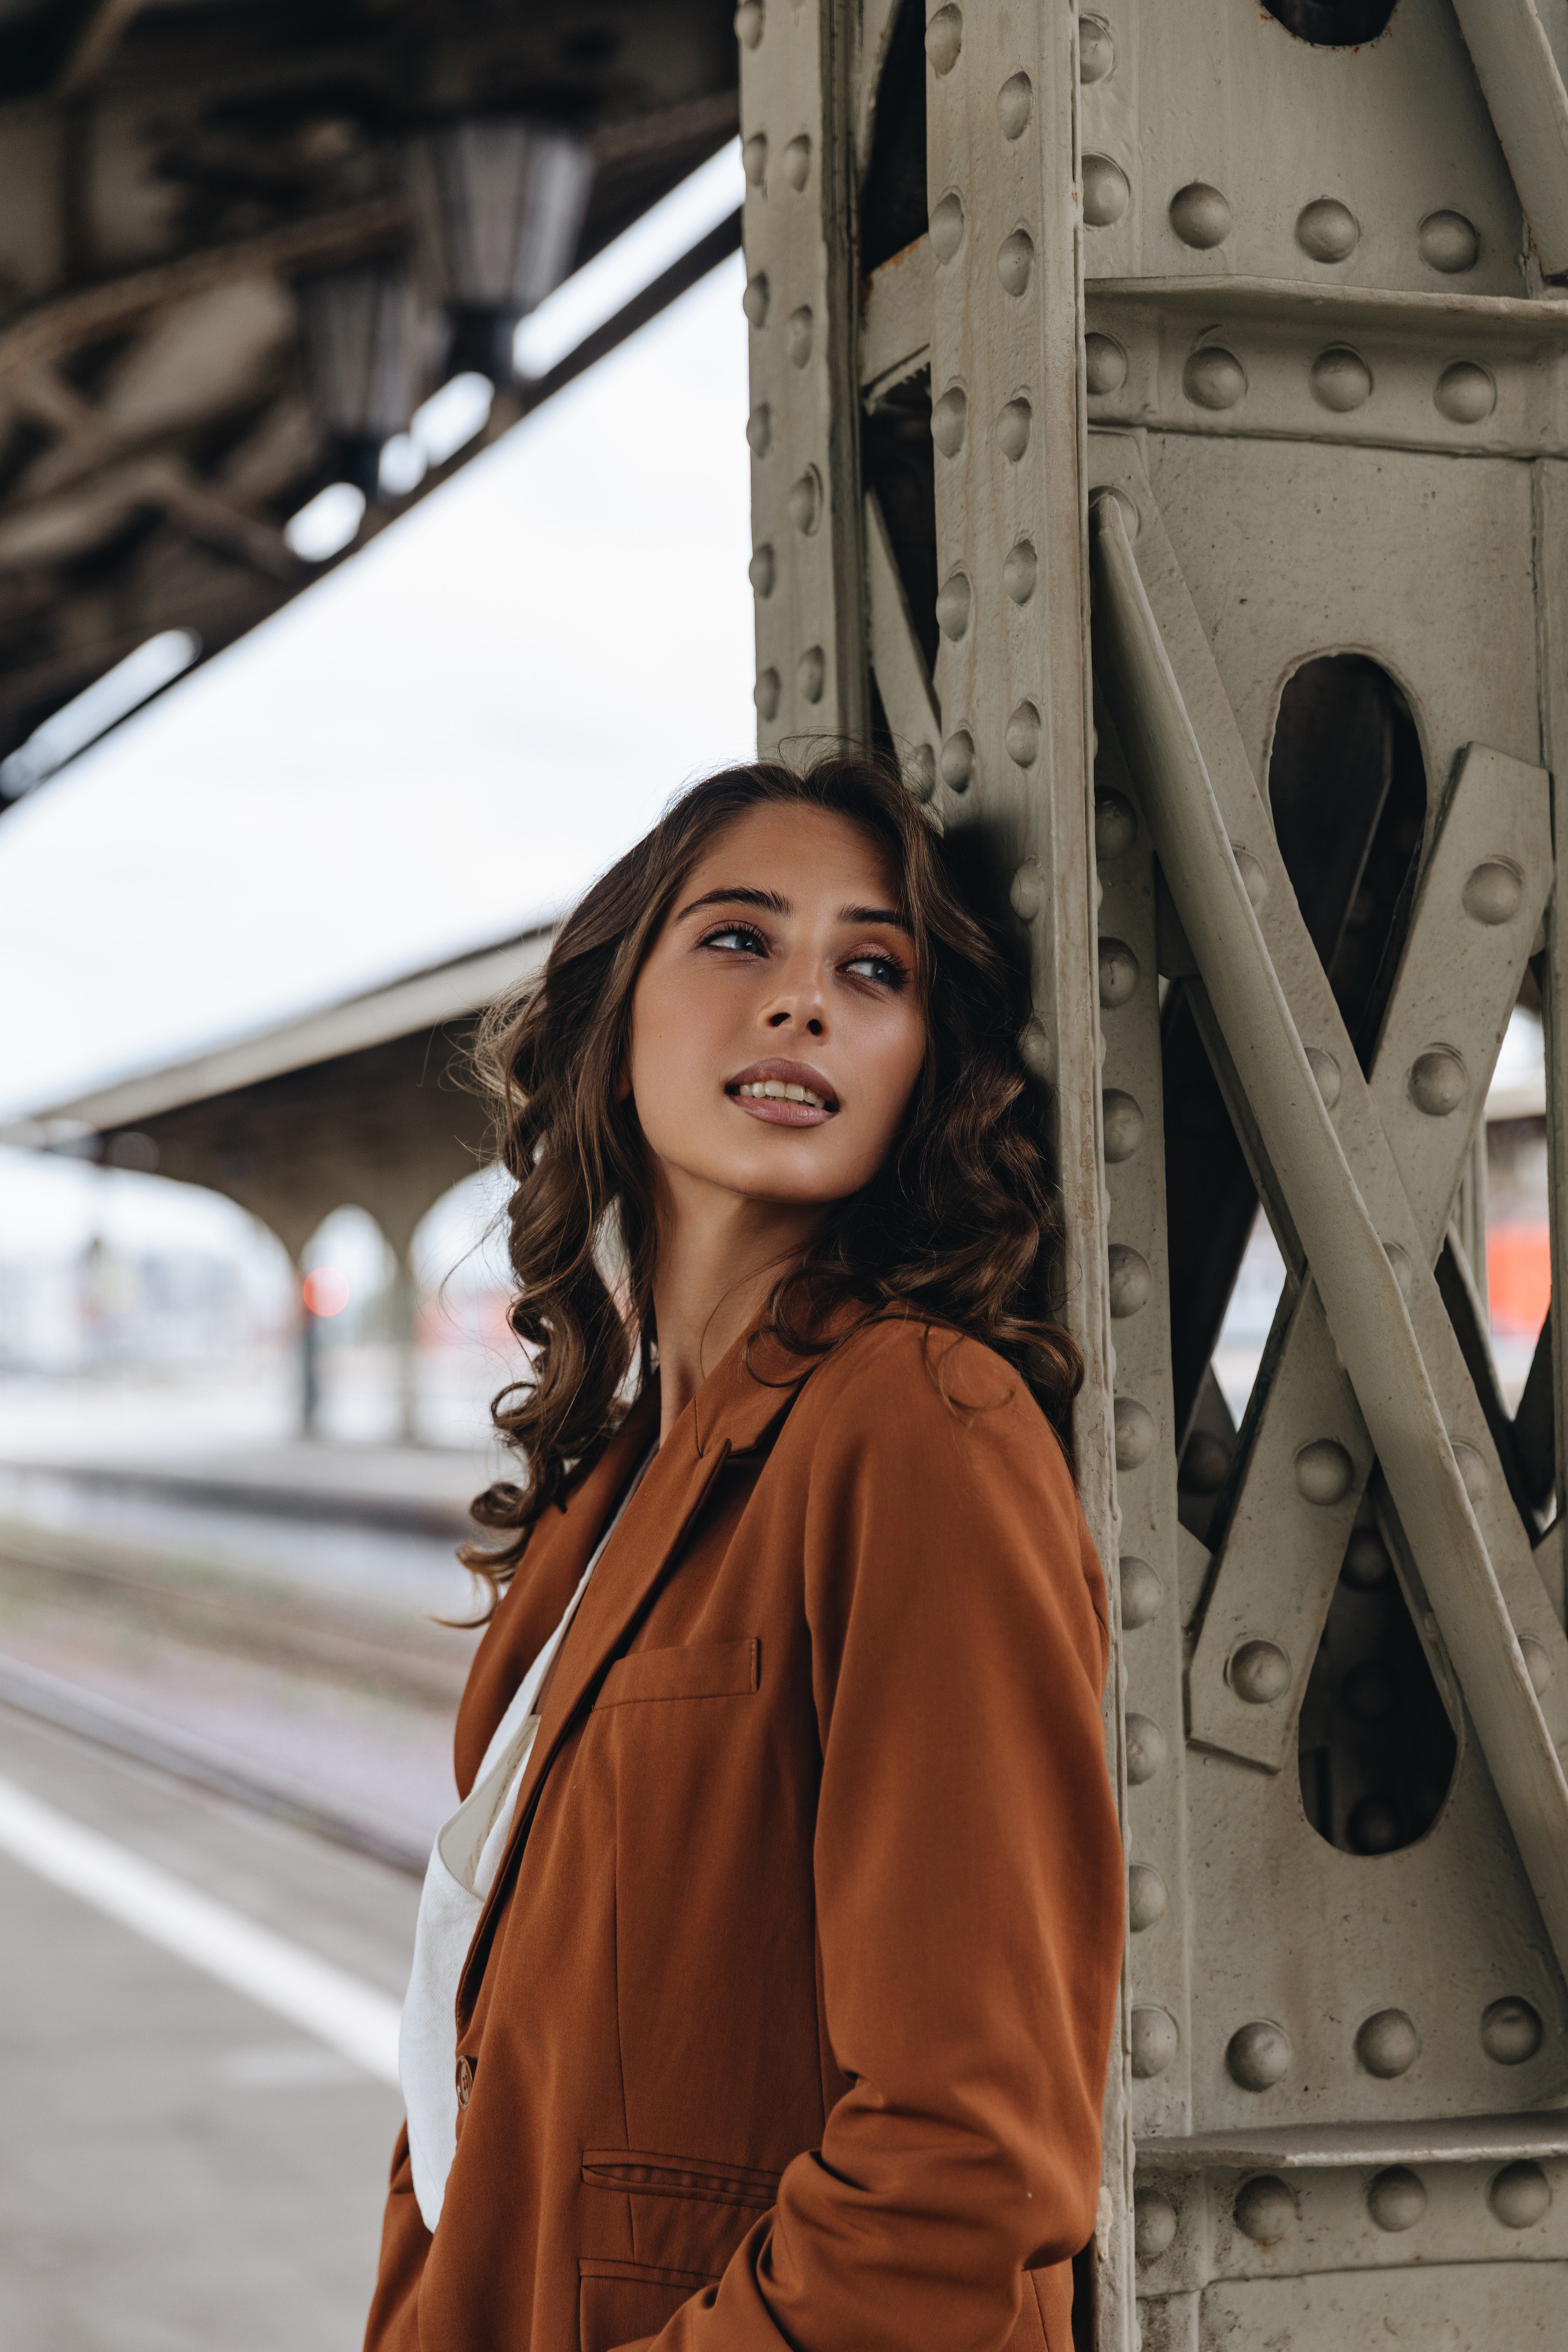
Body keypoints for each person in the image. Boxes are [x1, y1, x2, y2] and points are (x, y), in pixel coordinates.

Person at [365, 752, 1124, 2352]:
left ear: (925, 1061)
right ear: (612, 1011)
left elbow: (963, 2159)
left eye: (872, 968)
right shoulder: (614, 1486)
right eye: (738, 940)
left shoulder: (915, 1426)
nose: (804, 1005)